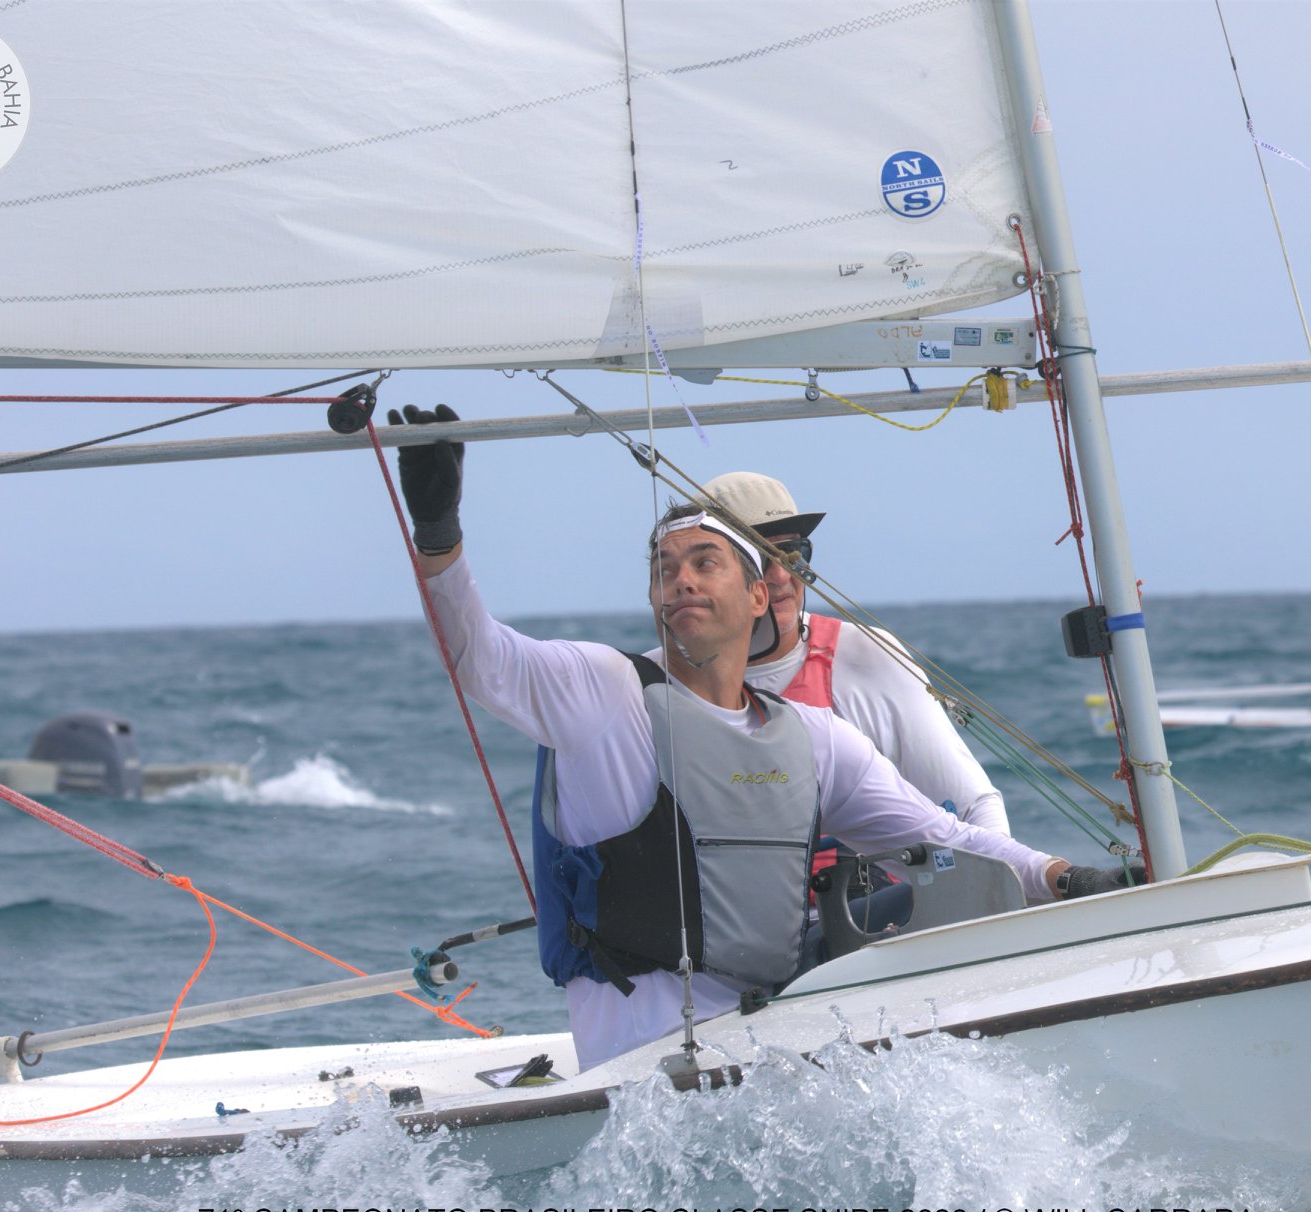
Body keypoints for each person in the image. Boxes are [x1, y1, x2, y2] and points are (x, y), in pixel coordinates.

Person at [389, 404, 1118, 1071]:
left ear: (758, 592)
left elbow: (947, 837)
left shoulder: (816, 738)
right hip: (643, 1070)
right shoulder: (605, 693)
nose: (681, 581)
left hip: (772, 1038)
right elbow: (479, 657)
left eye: (704, 564)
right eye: (665, 570)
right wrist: (439, 536)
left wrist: (1068, 880)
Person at [677, 471, 1009, 831]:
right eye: (759, 558)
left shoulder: (867, 655)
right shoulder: (658, 680)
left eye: (793, 553)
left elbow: (972, 808)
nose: (782, 575)